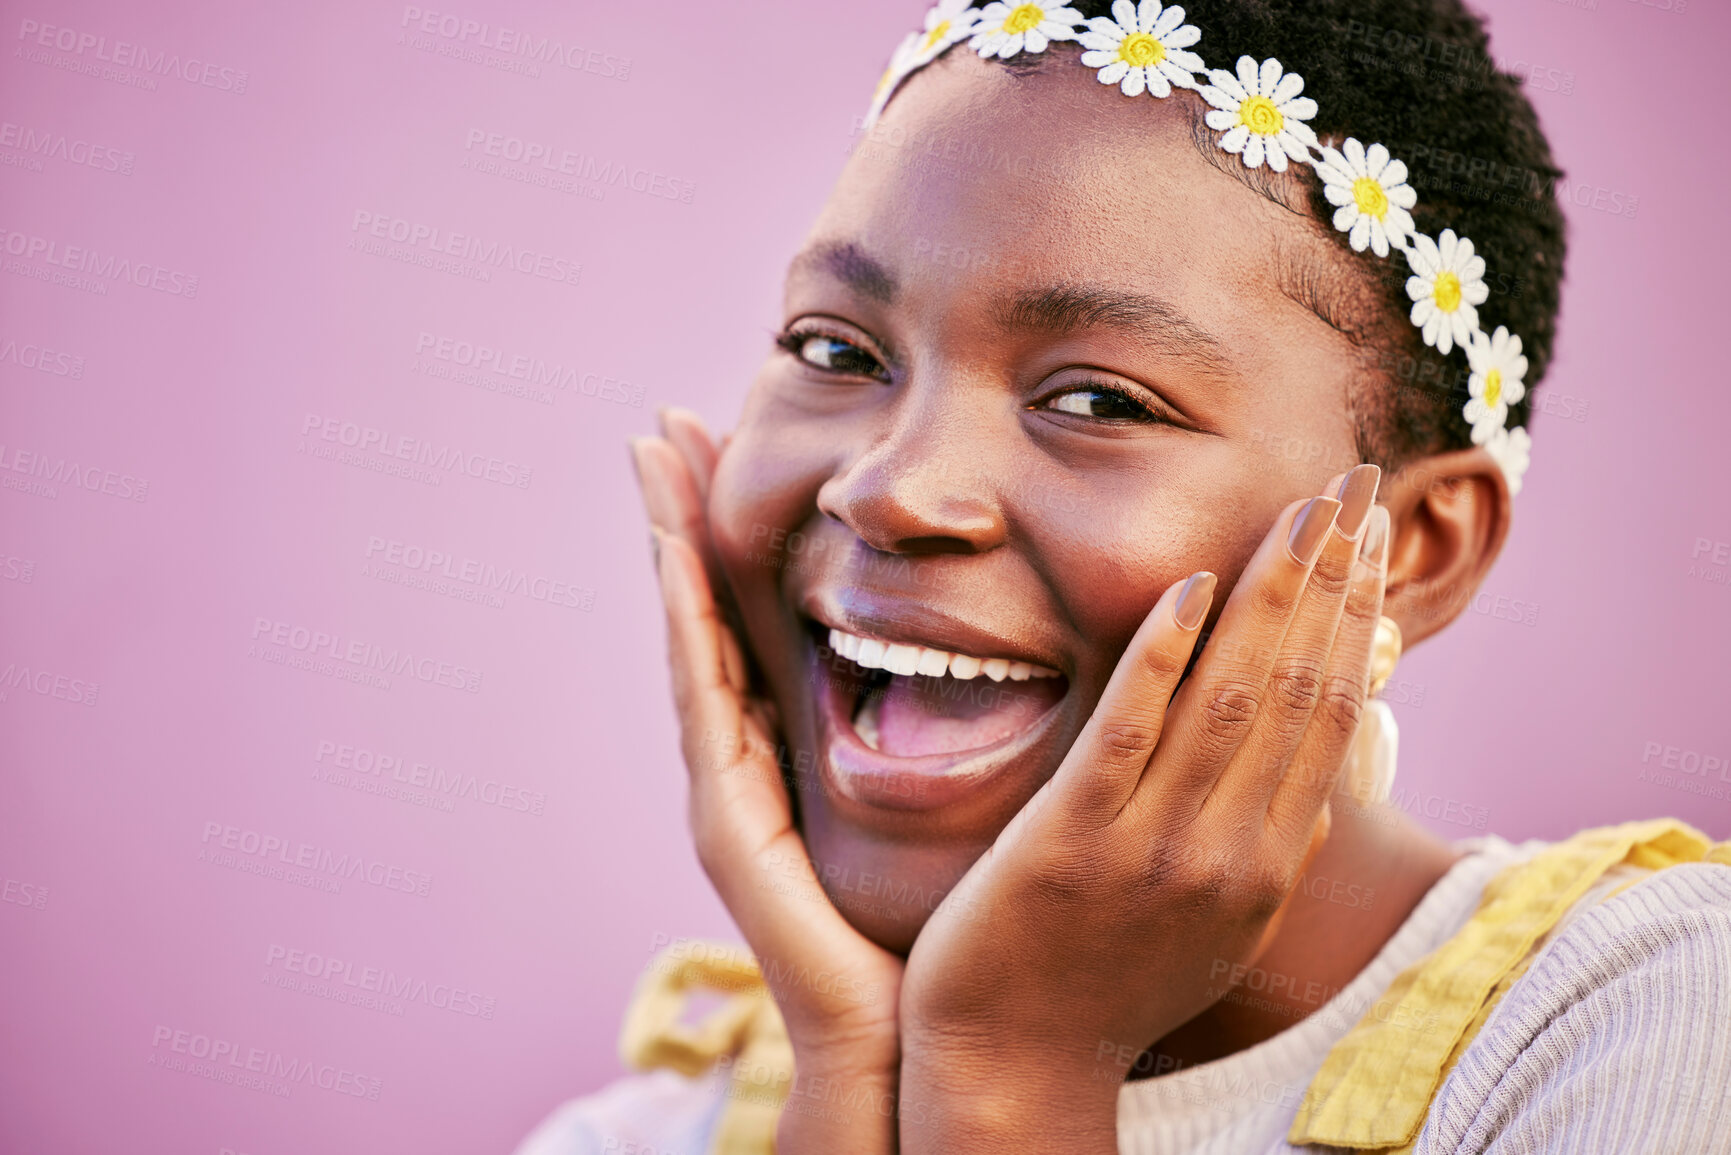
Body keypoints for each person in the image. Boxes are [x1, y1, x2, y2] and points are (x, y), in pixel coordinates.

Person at [519, 1, 1731, 1151]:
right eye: (836, 349)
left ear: (1412, 551)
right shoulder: (645, 1131)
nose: (886, 490)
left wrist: (1010, 1077)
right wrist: (851, 1070)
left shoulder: (1643, 1028)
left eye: (1098, 400)